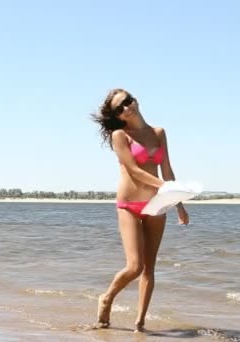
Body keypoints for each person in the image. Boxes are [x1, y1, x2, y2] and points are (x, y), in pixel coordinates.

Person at [91, 88, 190, 332]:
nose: (126, 108)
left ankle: (140, 324)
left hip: (156, 205)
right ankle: (107, 298)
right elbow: (134, 171)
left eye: (127, 101)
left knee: (149, 268)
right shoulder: (120, 135)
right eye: (119, 108)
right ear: (118, 116)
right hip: (129, 205)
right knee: (134, 266)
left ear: (135, 100)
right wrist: (166, 186)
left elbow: (167, 169)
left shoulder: (158, 133)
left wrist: (179, 204)